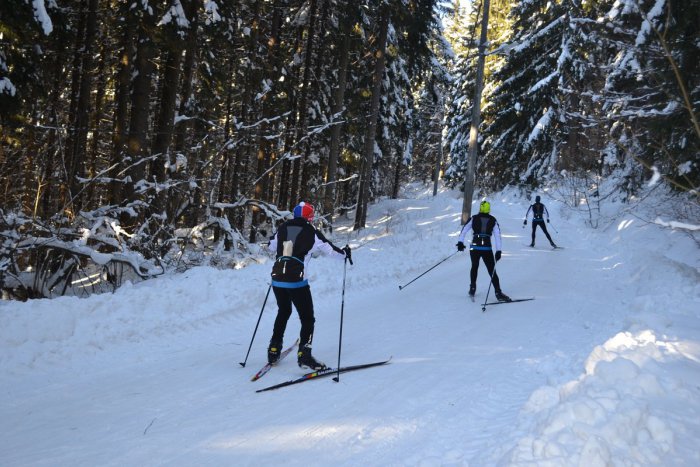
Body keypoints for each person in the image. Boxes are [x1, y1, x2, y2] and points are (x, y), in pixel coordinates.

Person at [267, 201, 351, 370]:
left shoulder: (283, 228)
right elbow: (330, 251)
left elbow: (271, 247)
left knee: (284, 311)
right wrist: (345, 254)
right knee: (307, 318)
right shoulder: (312, 232)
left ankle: (274, 349)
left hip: (277, 280)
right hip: (297, 282)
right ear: (310, 217)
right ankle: (304, 355)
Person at [456, 200, 511, 302]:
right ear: (489, 209)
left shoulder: (473, 218)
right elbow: (497, 236)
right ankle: (498, 293)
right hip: (486, 248)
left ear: (480, 208)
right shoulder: (493, 220)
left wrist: (460, 243)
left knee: (474, 267)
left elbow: (464, 231)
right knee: (491, 270)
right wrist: (498, 250)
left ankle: (472, 289)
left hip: (474, 247)